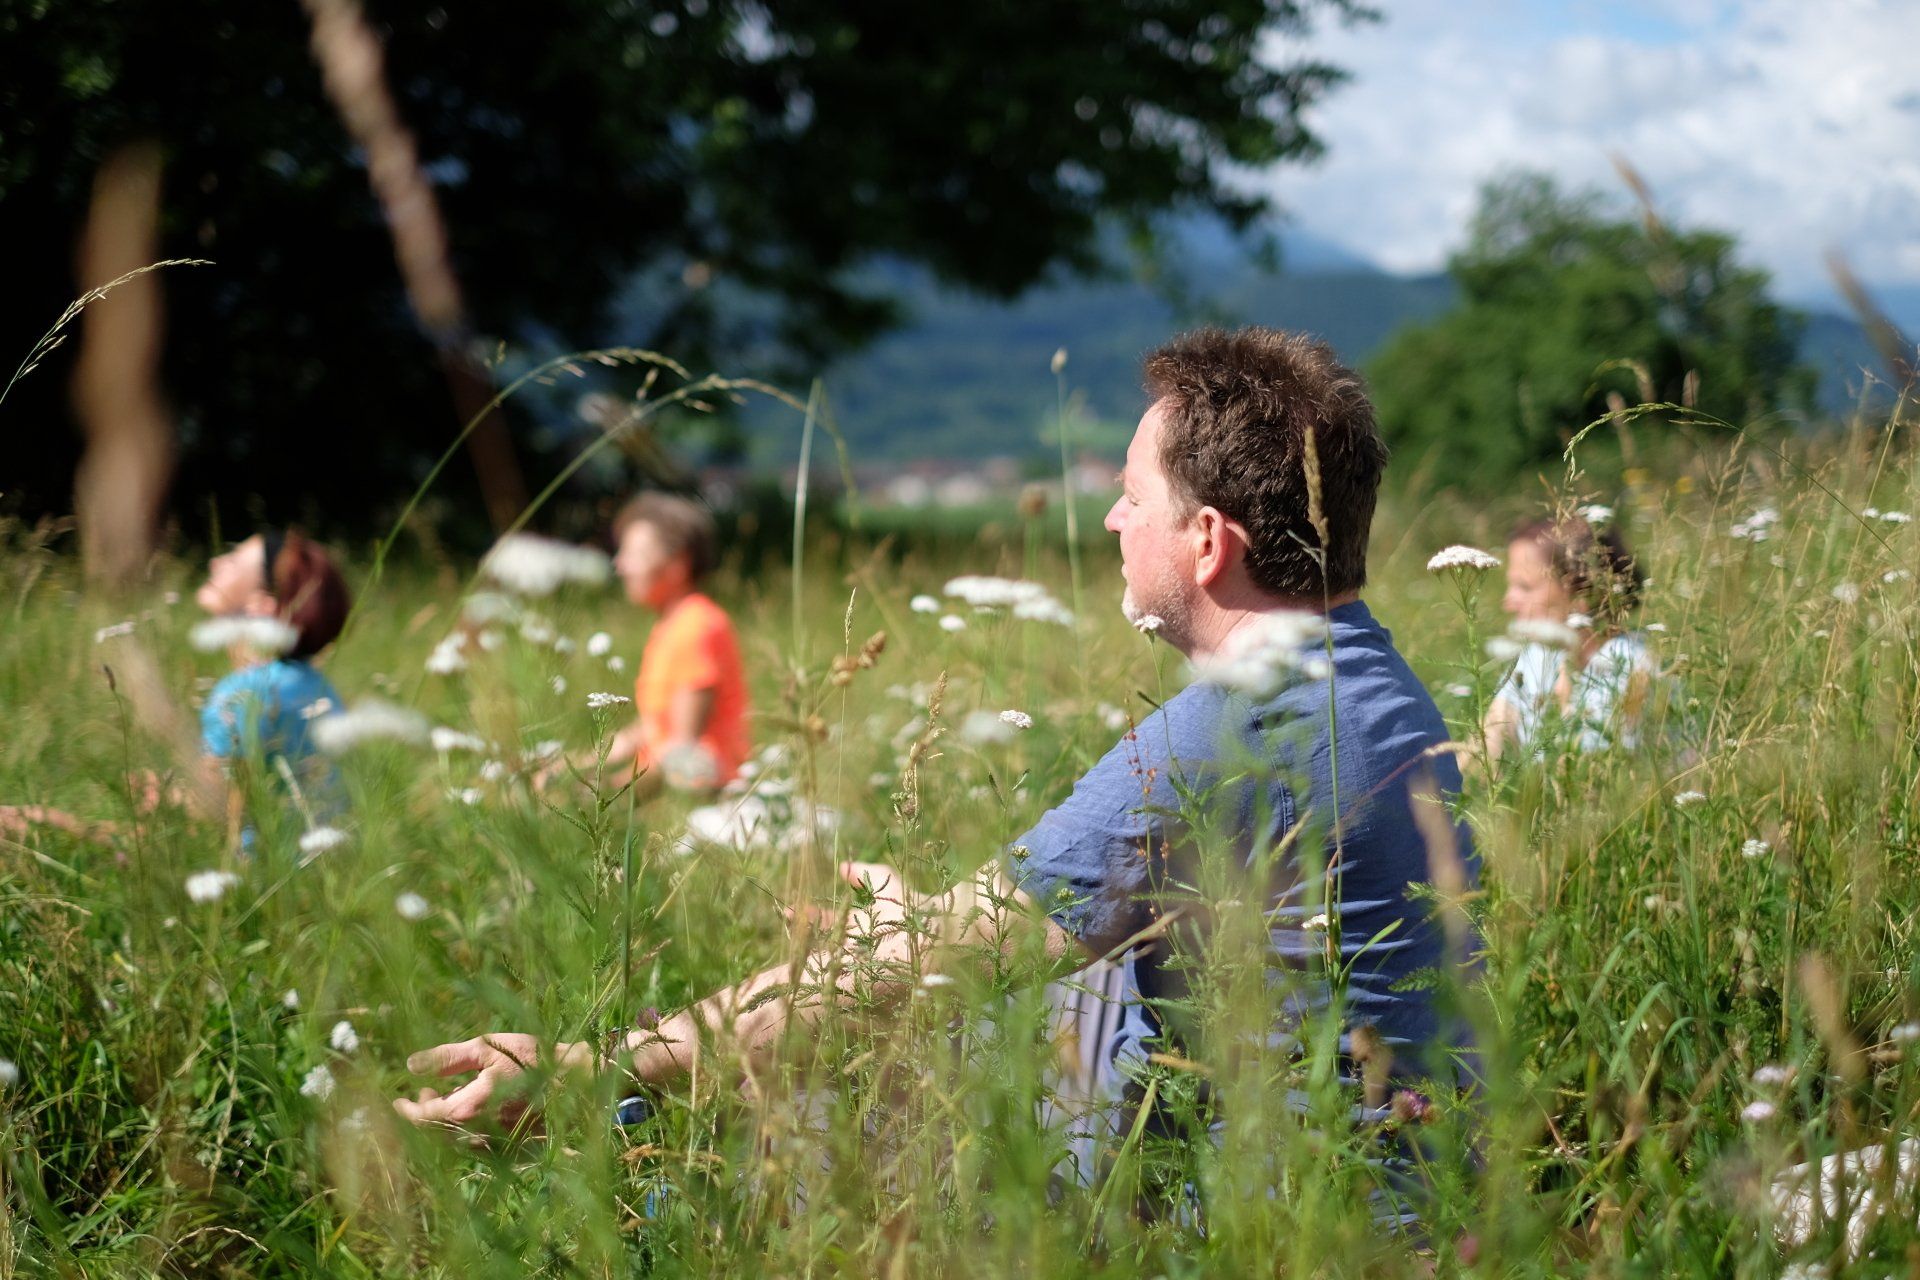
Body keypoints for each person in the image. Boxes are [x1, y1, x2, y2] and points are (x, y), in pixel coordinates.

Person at [396, 329, 1480, 1206]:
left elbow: (932, 964)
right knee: (1020, 980)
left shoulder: (1228, 731)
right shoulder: (1372, 675)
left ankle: (606, 1166)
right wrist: (945, 922)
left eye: (1130, 495)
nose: (1109, 516)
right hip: (1410, 1169)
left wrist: (606, 1062)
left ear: (1205, 540)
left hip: (1285, 1206)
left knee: (852, 1067)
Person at [1, 529, 350, 842]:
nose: (215, 561)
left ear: (262, 605)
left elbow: (203, 830)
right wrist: (175, 793)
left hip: (259, 881)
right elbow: (242, 798)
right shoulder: (313, 685)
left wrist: (59, 828)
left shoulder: (245, 694)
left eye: (232, 559)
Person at [544, 493, 750, 794]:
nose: (620, 565)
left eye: (635, 555)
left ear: (678, 564)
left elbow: (682, 753)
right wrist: (569, 767)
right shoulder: (672, 625)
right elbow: (654, 729)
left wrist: (599, 796)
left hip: (706, 797)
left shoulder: (696, 629)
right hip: (671, 786)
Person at [1480, 513, 1652, 764]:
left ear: (1580, 592)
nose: (1508, 603)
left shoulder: (1634, 667)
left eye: (1525, 587)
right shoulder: (1537, 656)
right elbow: (1483, 752)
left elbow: (1615, 781)